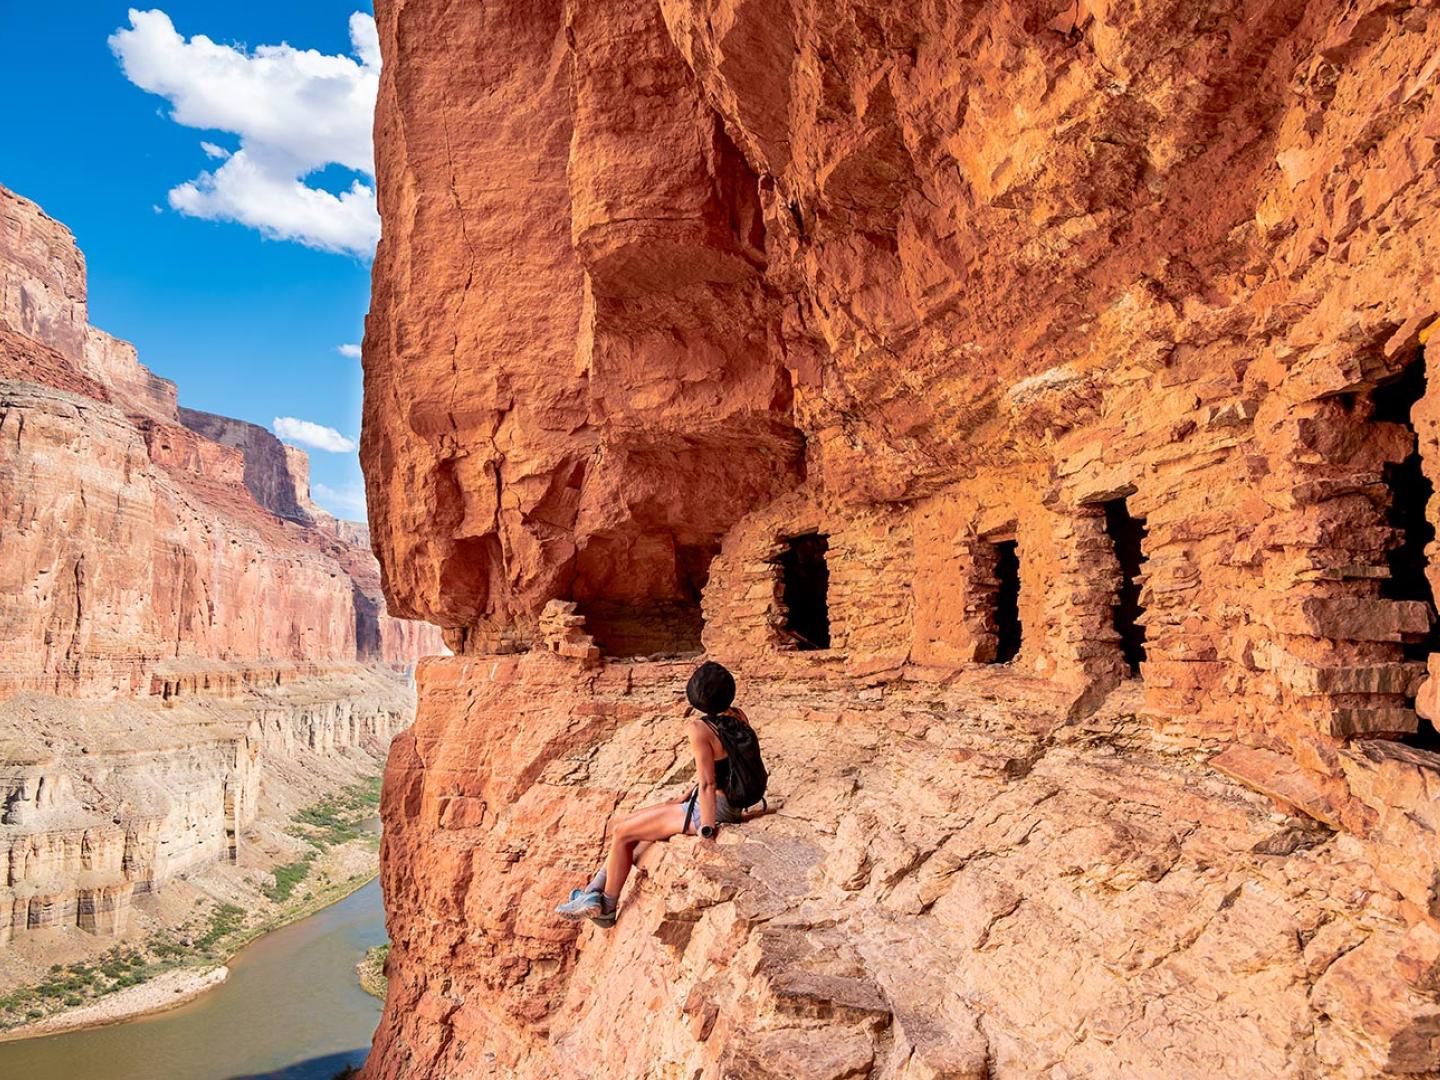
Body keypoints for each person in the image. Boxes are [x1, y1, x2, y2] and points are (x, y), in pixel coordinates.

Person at [555, 660, 757, 928]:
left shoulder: (700, 729)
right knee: (631, 831)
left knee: (622, 833)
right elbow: (731, 766)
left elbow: (708, 782)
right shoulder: (739, 715)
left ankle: (606, 907)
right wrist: (687, 795)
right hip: (727, 802)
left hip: (712, 809)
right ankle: (591, 892)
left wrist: (706, 829)